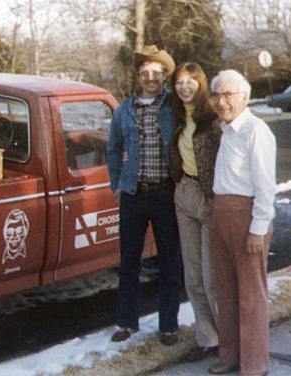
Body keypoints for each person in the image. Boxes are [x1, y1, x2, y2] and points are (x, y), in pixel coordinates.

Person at [107, 45, 182, 346]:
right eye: (145, 73)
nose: (151, 78)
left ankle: (168, 326)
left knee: (169, 262)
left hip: (165, 194)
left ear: (163, 75)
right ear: (137, 77)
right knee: (128, 262)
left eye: (156, 73)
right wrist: (116, 184)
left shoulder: (173, 106)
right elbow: (113, 149)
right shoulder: (123, 110)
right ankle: (127, 322)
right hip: (134, 195)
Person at [208, 69, 276, 376]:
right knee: (226, 289)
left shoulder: (256, 131)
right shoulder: (226, 130)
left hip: (246, 216)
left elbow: (265, 187)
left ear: (244, 97)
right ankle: (230, 355)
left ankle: (254, 365)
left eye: (227, 95)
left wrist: (257, 230)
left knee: (251, 293)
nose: (221, 102)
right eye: (216, 95)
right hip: (221, 213)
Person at [168, 62, 221, 361]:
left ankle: (228, 339)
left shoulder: (212, 119)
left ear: (200, 84)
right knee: (193, 275)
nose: (184, 86)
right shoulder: (176, 117)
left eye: (190, 81)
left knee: (211, 277)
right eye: (179, 81)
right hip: (184, 193)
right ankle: (207, 338)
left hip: (209, 197)